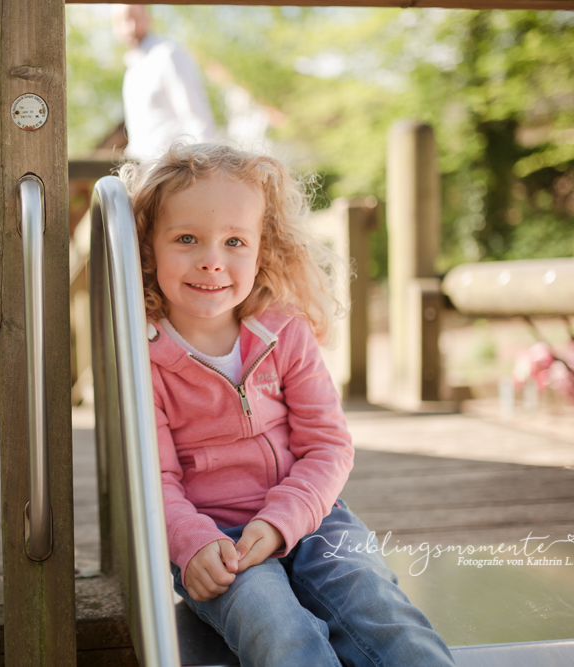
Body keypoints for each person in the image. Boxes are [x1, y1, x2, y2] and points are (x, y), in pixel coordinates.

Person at [120, 143, 456, 666]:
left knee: (385, 614)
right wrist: (191, 545)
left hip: (316, 519)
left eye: (235, 241)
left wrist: (283, 520)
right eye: (186, 238)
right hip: (216, 539)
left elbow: (328, 445)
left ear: (262, 249)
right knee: (281, 630)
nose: (212, 259)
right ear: (147, 249)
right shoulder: (144, 357)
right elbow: (153, 479)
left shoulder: (284, 334)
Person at [111, 5, 216, 161]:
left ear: (148, 17)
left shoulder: (169, 55)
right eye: (122, 21)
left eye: (135, 18)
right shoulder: (131, 70)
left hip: (175, 171)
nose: (130, 27)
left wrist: (207, 168)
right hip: (144, 172)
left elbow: (197, 119)